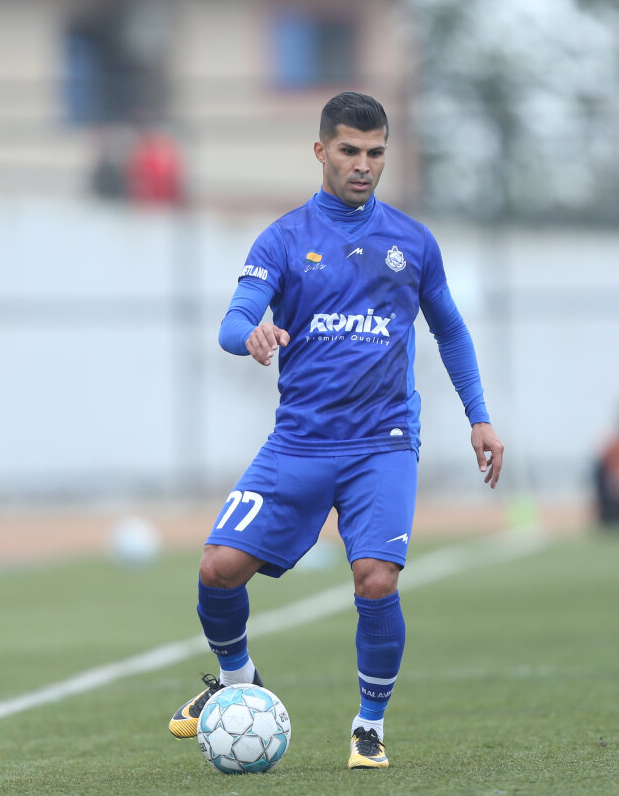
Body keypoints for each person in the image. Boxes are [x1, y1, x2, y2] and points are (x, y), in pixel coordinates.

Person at [166, 92, 504, 770]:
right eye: (349, 151)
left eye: (376, 152)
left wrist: (479, 416)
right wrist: (252, 334)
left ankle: (368, 725)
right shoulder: (284, 239)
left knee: (376, 579)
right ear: (321, 151)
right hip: (299, 443)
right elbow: (234, 321)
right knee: (217, 570)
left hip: (383, 443)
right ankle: (237, 682)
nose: (363, 165)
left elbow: (451, 331)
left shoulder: (412, 242)